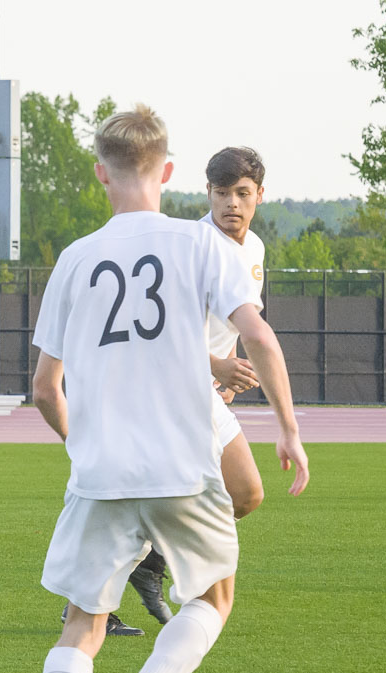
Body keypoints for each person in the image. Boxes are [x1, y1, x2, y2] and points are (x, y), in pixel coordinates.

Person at [19, 106, 308, 673]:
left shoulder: (75, 259)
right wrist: (289, 429)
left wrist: (80, 443)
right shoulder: (201, 244)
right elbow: (259, 339)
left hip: (102, 468)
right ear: (169, 172)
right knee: (214, 594)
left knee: (82, 623)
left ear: (101, 173)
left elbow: (42, 389)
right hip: (181, 463)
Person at [126, 146, 274, 627]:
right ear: (207, 193)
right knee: (231, 491)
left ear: (259, 196)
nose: (232, 202)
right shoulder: (187, 246)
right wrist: (217, 365)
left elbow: (233, 321)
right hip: (166, 389)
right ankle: (109, 587)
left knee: (242, 495)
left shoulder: (254, 251)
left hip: (205, 392)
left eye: (242, 193)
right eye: (222, 192)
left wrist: (226, 368)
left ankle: (145, 566)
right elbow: (159, 332)